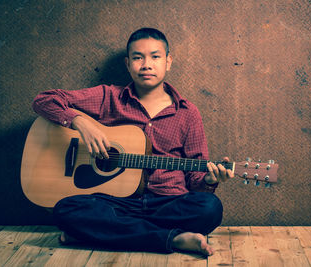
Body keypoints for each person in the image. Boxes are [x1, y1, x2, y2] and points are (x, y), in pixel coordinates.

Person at [32, 27, 234, 256]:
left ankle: (98, 233)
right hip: (114, 203)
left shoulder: (188, 113)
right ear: (128, 64)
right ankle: (174, 238)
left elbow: (196, 180)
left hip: (167, 204)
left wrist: (208, 178)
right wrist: (79, 121)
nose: (146, 64)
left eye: (155, 57)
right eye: (138, 58)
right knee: (65, 210)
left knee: (210, 209)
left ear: (168, 62)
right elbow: (44, 100)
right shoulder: (108, 97)